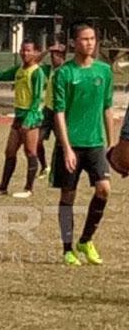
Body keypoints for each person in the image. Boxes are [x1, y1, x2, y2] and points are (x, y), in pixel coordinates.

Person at [51, 23, 114, 267]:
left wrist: (112, 144)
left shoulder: (104, 72)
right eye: (84, 39)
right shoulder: (64, 73)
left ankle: (85, 240)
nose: (89, 43)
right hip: (71, 145)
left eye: (92, 39)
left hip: (96, 143)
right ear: (74, 43)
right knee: (68, 195)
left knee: (104, 189)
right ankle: (67, 248)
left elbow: (107, 108)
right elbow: (59, 112)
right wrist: (66, 148)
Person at [0, 39, 45, 198]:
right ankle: (2, 187)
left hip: (30, 117)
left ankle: (28, 189)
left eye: (28, 50)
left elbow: (37, 98)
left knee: (30, 152)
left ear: (35, 52)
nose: (25, 53)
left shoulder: (36, 72)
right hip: (18, 115)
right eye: (23, 50)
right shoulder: (19, 70)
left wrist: (29, 119)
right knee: (10, 151)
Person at [36, 42, 67, 177]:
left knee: (62, 144)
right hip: (48, 111)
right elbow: (34, 61)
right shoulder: (47, 70)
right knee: (37, 140)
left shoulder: (67, 71)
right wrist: (47, 50)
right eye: (53, 55)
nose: (54, 58)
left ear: (63, 57)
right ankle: (44, 166)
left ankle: (61, 171)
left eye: (58, 55)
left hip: (62, 111)